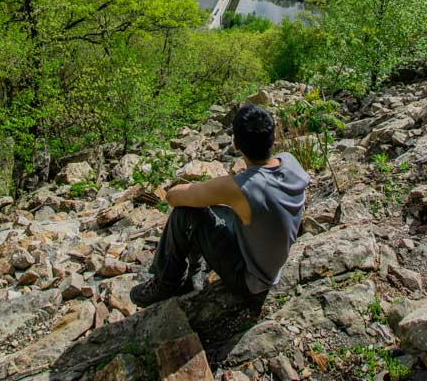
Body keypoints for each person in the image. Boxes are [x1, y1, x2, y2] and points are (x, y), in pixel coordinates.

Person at [130, 103, 310, 307]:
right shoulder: (290, 162)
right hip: (271, 257)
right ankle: (193, 272)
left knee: (185, 214)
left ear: (236, 144)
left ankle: (166, 283)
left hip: (250, 280)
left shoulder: (242, 188)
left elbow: (173, 197)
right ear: (273, 138)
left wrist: (204, 187)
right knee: (218, 210)